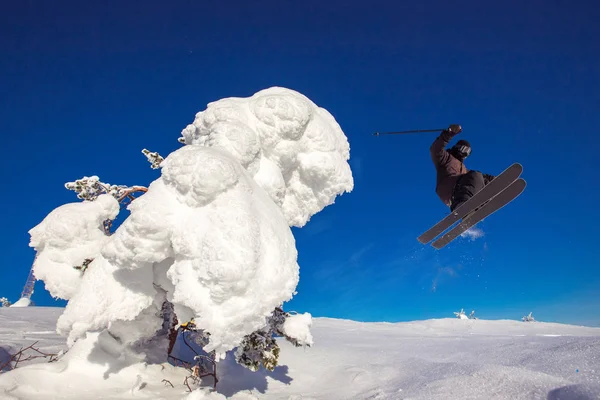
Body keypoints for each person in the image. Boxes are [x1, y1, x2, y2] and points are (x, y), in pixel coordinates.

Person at [430, 124, 494, 212]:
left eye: (468, 152)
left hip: (458, 192)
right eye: (464, 149)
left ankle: (475, 208)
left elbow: (480, 178)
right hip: (448, 188)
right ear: (458, 147)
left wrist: (496, 180)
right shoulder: (445, 157)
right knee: (475, 175)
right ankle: (462, 204)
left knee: (482, 180)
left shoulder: (464, 170)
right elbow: (435, 149)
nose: (465, 154)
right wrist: (449, 134)